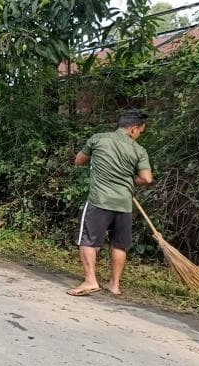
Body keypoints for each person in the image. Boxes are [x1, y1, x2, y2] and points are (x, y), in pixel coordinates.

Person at [68, 109, 153, 297]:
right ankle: (114, 285)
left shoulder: (98, 139)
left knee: (88, 241)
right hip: (124, 203)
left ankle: (91, 281)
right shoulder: (139, 150)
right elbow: (146, 179)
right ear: (133, 129)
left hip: (100, 200)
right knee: (119, 245)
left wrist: (97, 161)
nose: (139, 135)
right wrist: (128, 181)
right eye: (140, 132)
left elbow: (79, 161)